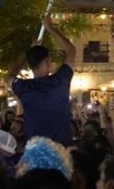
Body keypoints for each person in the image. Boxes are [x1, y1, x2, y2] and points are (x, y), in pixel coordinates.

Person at [6, 14, 76, 146]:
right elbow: (71, 50)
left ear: (29, 65)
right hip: (61, 151)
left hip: (35, 152)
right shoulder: (60, 81)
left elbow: (9, 76)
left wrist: (27, 54)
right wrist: (50, 28)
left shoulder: (23, 87)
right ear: (48, 61)